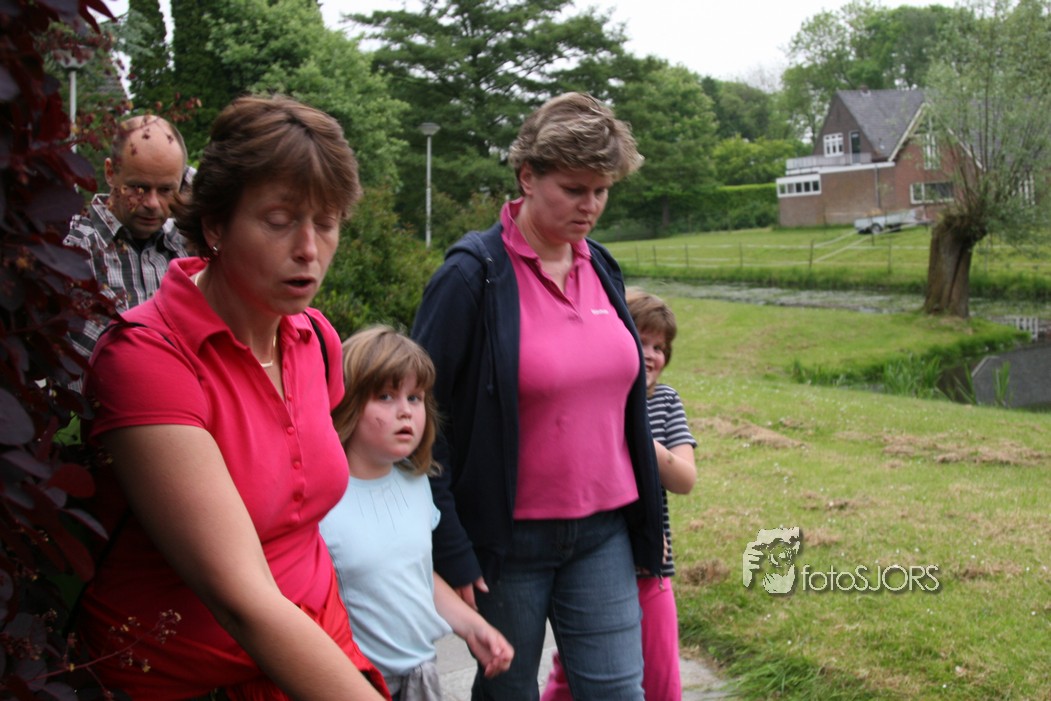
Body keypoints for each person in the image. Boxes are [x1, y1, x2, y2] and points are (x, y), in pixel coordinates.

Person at [78, 95, 390, 700]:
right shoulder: (146, 358)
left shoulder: (316, 339)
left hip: (315, 660)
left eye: (326, 223)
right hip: (184, 684)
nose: (309, 249)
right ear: (216, 225)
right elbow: (240, 600)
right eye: (279, 220)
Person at [411, 92, 665, 701]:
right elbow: (422, 419)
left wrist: (648, 522)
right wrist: (450, 544)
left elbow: (625, 405)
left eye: (601, 190)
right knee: (510, 692)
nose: (590, 205)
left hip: (604, 533)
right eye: (574, 189)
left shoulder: (602, 266)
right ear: (527, 176)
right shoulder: (470, 276)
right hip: (506, 543)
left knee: (618, 692)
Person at [320, 325, 515, 700]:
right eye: (385, 396)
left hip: (420, 677)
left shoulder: (416, 483)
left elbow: (417, 575)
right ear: (346, 401)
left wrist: (473, 626)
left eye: (415, 397)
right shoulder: (322, 499)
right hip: (352, 681)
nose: (405, 412)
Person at [541, 288, 698, 701]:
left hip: (650, 570)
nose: (650, 354)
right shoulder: (591, 398)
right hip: (591, 567)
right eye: (640, 340)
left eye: (659, 347)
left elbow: (685, 479)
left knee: (661, 678)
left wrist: (640, 436)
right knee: (574, 677)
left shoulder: (665, 402)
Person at [64, 114, 192, 360]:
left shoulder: (185, 245)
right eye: (139, 188)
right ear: (110, 172)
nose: (152, 203)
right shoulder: (76, 249)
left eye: (166, 190)